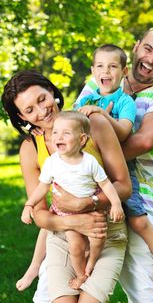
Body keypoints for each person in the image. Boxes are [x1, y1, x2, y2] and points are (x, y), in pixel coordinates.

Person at [2, 70, 131, 303]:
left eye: (42, 99)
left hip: (105, 232)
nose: (42, 111)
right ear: (22, 117)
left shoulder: (94, 123)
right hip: (63, 236)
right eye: (29, 110)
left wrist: (87, 203)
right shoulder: (31, 149)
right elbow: (39, 214)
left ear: (51, 91)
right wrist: (73, 221)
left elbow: (123, 186)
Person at [75, 28, 153, 303]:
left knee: (145, 293)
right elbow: (73, 130)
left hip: (136, 195)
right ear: (136, 47)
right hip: (87, 193)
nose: (151, 59)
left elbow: (143, 141)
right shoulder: (98, 84)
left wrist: (98, 153)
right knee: (70, 280)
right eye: (148, 49)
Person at [21, 110, 124, 290]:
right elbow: (42, 187)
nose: (58, 137)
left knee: (98, 239)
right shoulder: (52, 162)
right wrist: (29, 204)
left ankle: (91, 263)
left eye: (66, 133)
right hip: (66, 212)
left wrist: (115, 204)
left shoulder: (89, 162)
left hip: (92, 210)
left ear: (82, 139)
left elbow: (107, 184)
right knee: (75, 246)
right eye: (55, 133)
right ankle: (81, 274)